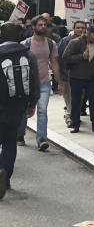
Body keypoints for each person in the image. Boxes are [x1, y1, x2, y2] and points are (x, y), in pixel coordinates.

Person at [0, 22, 40, 199]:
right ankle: (5, 176)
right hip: (17, 105)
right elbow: (35, 80)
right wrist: (32, 104)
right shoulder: (28, 54)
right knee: (9, 142)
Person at [17, 16, 62, 152]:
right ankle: (20, 135)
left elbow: (54, 63)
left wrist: (59, 82)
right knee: (24, 111)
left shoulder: (51, 44)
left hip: (44, 83)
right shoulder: (25, 44)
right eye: (40, 24)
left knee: (42, 111)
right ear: (34, 27)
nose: (43, 27)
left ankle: (42, 139)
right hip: (27, 84)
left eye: (45, 25)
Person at [62, 22, 94, 133]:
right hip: (76, 77)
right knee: (76, 101)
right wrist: (81, 56)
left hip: (92, 77)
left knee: (93, 101)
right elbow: (66, 57)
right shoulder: (75, 42)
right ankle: (75, 124)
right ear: (88, 33)